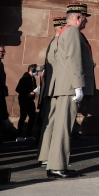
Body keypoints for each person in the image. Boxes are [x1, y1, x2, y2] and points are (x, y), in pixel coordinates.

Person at [45, 3, 95, 179]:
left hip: (64, 85)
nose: (86, 22)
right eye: (85, 18)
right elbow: (74, 59)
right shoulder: (73, 31)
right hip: (69, 86)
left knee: (60, 126)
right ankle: (58, 166)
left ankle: (55, 165)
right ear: (78, 17)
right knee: (64, 127)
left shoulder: (65, 32)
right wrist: (78, 85)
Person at [37, 16, 66, 167]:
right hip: (56, 87)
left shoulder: (52, 42)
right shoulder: (59, 42)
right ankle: (47, 156)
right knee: (53, 123)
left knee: (50, 122)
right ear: (61, 28)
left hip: (52, 87)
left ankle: (44, 155)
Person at [15, 64, 38, 141]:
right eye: (35, 71)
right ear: (31, 70)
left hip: (30, 100)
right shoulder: (24, 78)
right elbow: (18, 89)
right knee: (23, 117)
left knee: (32, 116)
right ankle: (19, 135)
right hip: (24, 99)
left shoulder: (32, 78)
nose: (37, 72)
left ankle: (28, 135)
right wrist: (28, 92)